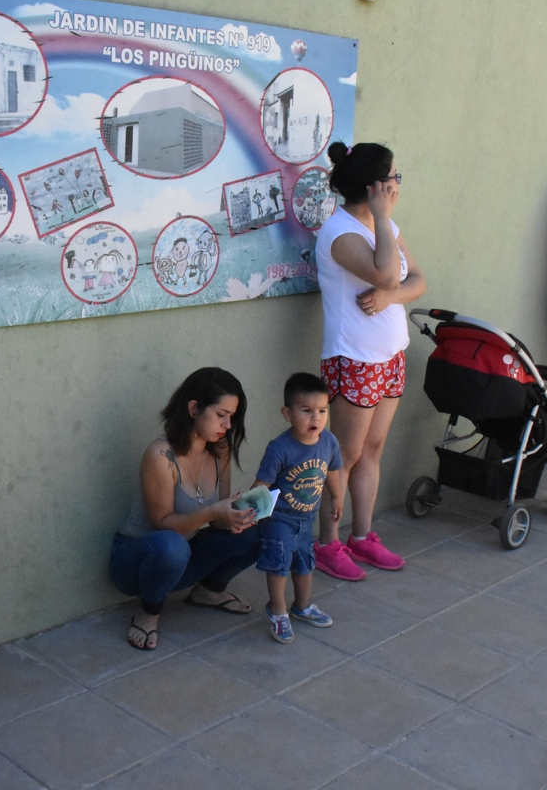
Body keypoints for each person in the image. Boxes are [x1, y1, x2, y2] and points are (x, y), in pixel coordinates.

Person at [312, 142, 427, 581]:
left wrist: (390, 298)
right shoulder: (340, 233)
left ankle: (362, 536)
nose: (398, 184)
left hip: (390, 356)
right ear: (375, 186)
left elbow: (416, 281)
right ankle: (328, 543)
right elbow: (388, 273)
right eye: (393, 177)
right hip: (355, 358)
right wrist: (381, 217)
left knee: (372, 450)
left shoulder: (387, 226)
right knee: (344, 454)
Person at [109, 367, 260, 650]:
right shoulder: (161, 455)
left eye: (231, 416)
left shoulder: (220, 449)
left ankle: (208, 591)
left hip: (183, 556)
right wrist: (214, 512)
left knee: (259, 532)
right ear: (193, 409)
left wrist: (236, 516)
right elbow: (162, 523)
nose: (228, 425)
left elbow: (217, 523)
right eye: (221, 414)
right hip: (137, 561)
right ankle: (149, 612)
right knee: (172, 545)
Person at [251, 373, 342, 644]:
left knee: (305, 563)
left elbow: (332, 470)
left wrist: (337, 497)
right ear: (287, 414)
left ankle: (302, 606)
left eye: (322, 410)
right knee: (279, 565)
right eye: (306, 411)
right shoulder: (280, 448)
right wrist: (249, 509)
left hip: (306, 519)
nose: (316, 418)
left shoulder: (328, 441)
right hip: (278, 519)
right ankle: (277, 610)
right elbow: (262, 483)